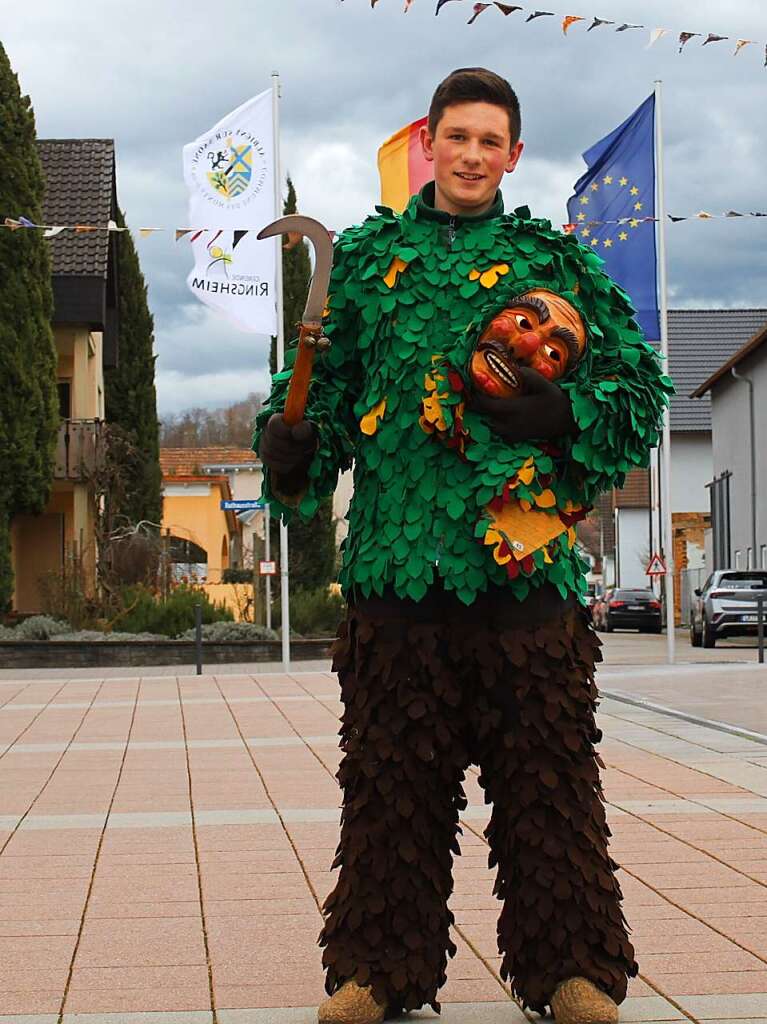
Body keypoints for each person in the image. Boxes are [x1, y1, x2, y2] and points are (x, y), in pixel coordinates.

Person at [255, 68, 672, 1024]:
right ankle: (376, 970)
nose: (473, 155)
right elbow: (318, 390)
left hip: (523, 575)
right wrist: (289, 447)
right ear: (428, 144)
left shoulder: (552, 262)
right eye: (458, 138)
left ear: (512, 154)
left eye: (491, 141)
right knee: (391, 785)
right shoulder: (364, 260)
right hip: (397, 575)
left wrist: (560, 405)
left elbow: (638, 392)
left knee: (549, 782)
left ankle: (572, 969)